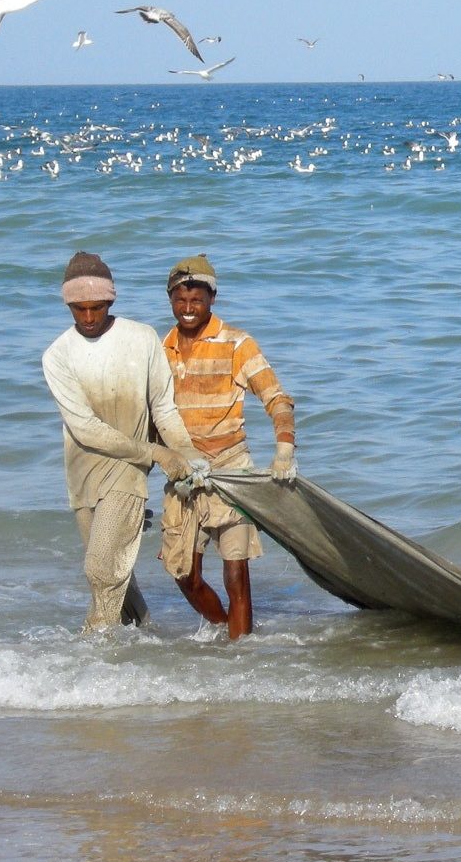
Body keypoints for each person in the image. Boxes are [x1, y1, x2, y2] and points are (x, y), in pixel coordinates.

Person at [42, 251, 203, 633]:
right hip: (82, 476)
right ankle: (147, 638)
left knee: (100, 569)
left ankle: (92, 651)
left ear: (110, 301)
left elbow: (163, 409)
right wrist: (157, 452)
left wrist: (186, 454)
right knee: (115, 573)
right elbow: (85, 429)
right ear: (68, 305)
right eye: (78, 309)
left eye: (96, 307)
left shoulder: (141, 338)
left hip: (128, 472)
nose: (88, 317)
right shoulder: (57, 356)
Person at [158, 254, 297, 640]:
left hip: (233, 471)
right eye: (180, 300)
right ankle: (222, 633)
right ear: (169, 299)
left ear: (212, 299)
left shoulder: (237, 344)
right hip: (184, 475)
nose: (188, 309)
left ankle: (242, 654)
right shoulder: (159, 349)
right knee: (185, 575)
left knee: (236, 574)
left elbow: (277, 399)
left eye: (197, 301)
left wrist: (284, 449)